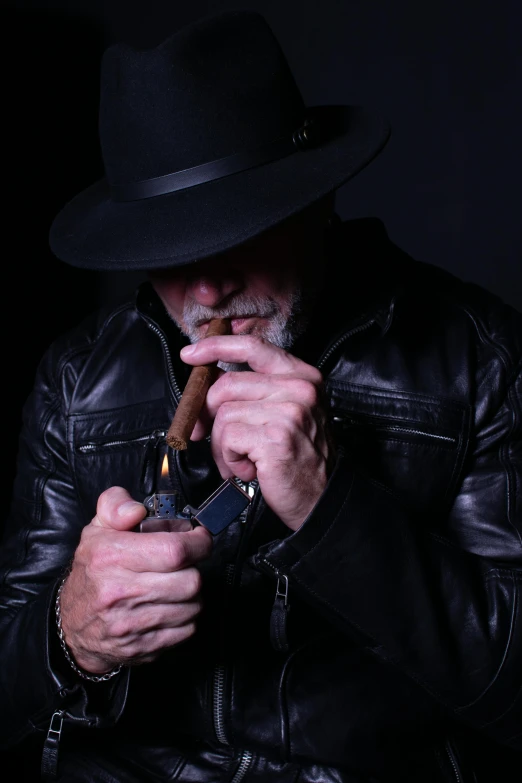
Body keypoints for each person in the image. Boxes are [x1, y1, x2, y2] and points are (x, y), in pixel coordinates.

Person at [1, 9, 521, 783]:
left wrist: (331, 503)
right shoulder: (77, 377)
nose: (208, 287)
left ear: (316, 202)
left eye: (236, 229)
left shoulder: (478, 356)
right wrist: (68, 635)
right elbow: (8, 692)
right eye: (171, 250)